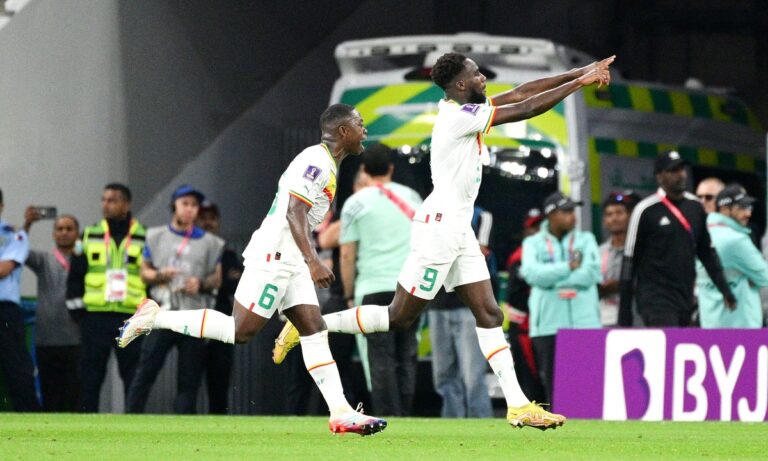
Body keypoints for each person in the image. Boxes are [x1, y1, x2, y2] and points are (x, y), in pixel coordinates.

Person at [274, 52, 615, 429]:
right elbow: (528, 107)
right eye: (476, 74)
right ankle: (310, 323)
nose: (483, 78)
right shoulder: (458, 117)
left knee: (490, 314)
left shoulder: (467, 108)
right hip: (440, 227)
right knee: (398, 317)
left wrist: (581, 71)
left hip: (458, 227)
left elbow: (522, 92)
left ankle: (518, 406)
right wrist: (578, 84)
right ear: (460, 84)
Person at [118, 104, 387, 435]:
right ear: (343, 131)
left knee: (314, 329)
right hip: (276, 254)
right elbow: (294, 211)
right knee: (240, 331)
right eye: (360, 124)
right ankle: (154, 318)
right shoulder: (316, 161)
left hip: (290, 256)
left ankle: (341, 412)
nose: (365, 130)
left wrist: (305, 258)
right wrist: (313, 260)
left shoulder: (326, 162)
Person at [336, 143, 422, 417]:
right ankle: (405, 415)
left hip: (372, 288)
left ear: (364, 169)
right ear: (391, 169)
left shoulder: (354, 203)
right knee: (406, 353)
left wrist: (348, 293)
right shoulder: (413, 197)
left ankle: (389, 416)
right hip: (410, 288)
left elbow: (347, 254)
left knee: (380, 357)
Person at [126, 186, 224, 414]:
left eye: (194, 205)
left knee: (189, 378)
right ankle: (130, 415)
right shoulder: (155, 236)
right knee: (145, 370)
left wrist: (200, 283)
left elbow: (217, 279)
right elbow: (144, 273)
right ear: (174, 206)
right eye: (185, 204)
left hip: (193, 314)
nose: (190, 209)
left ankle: (184, 421)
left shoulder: (210, 242)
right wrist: (160, 274)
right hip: (162, 312)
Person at [619, 151, 736, 327]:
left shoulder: (695, 207)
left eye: (682, 169)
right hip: (655, 298)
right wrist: (624, 312)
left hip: (684, 296)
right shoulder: (645, 210)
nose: (681, 174)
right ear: (659, 176)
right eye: (673, 170)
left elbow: (706, 253)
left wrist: (725, 290)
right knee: (669, 337)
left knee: (678, 343)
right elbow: (629, 261)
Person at [67, 183, 147, 412]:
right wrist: (79, 314)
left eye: (112, 200)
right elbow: (75, 277)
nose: (105, 204)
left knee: (133, 376)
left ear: (126, 204)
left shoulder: (144, 236)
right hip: (95, 317)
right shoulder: (89, 235)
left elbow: (151, 278)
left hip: (131, 316)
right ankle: (87, 422)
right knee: (90, 377)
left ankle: (135, 423)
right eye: (103, 200)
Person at [520, 192, 601, 405]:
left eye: (572, 211)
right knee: (554, 388)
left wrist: (552, 281)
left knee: (588, 386)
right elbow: (532, 274)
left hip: (585, 323)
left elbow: (592, 274)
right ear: (551, 215)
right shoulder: (532, 243)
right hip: (548, 326)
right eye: (566, 212)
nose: (572, 216)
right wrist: (568, 267)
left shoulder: (586, 239)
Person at [428, 204, 497, 418]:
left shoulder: (482, 216)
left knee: (473, 374)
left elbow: (478, 254)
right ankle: (452, 425)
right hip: (437, 303)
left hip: (470, 305)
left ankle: (482, 424)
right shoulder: (429, 212)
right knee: (443, 374)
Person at [24, 209, 82, 412]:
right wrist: (27, 225)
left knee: (75, 398)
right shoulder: (43, 259)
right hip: (46, 339)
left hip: (76, 339)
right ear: (53, 234)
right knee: (50, 398)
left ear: (77, 233)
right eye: (59, 229)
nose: (64, 232)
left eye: (69, 228)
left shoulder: (85, 260)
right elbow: (20, 251)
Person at [698, 184, 768, 328]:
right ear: (724, 209)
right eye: (741, 208)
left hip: (709, 323)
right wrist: (747, 276)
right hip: (740, 326)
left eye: (748, 207)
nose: (748, 213)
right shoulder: (735, 240)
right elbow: (765, 276)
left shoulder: (701, 233)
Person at [196, 202, 242, 414]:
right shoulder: (189, 250)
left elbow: (237, 282)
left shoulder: (227, 252)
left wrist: (209, 283)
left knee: (220, 382)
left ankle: (219, 423)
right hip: (195, 323)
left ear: (218, 222)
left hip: (220, 323)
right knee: (189, 383)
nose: (208, 223)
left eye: (212, 218)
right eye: (203, 218)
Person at [0, 189, 40, 411]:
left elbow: (4, 269)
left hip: (4, 310)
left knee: (16, 366)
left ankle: (29, 416)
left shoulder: (14, 235)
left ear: (1, 206)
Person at [597, 191, 640, 327]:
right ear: (604, 221)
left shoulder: (641, 249)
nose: (614, 218)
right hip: (604, 319)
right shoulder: (599, 251)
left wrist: (620, 285)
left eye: (619, 213)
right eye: (609, 214)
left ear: (630, 216)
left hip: (636, 319)